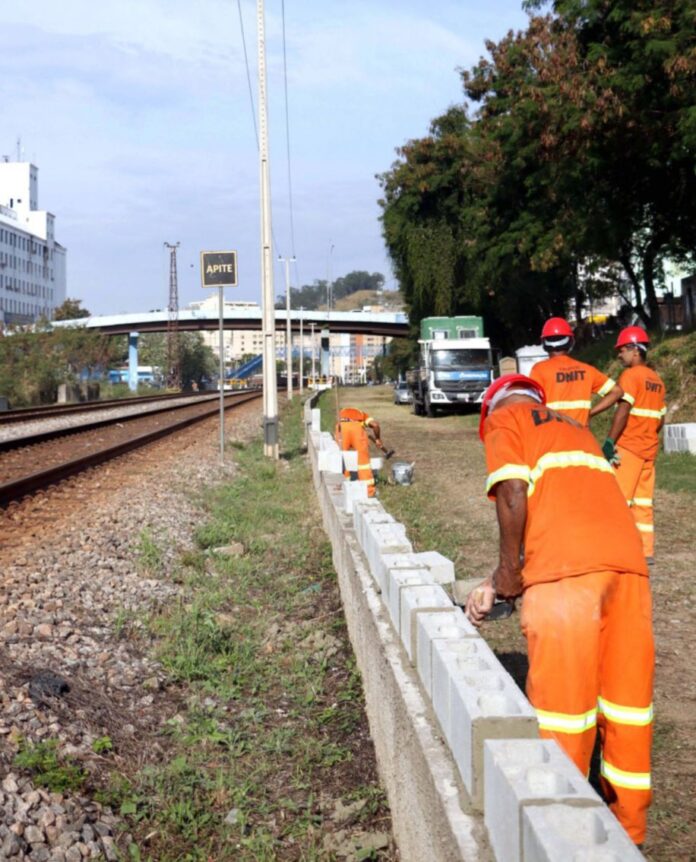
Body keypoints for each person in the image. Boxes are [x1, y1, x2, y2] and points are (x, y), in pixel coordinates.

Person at [466, 374, 653, 846]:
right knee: (627, 708)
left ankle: (560, 835)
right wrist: (497, 579)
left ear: (490, 410)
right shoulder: (574, 428)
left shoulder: (505, 419)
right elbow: (562, 508)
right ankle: (629, 834)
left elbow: (513, 492)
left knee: (564, 715)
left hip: (566, 579)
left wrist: (509, 576)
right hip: (627, 570)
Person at [603, 326, 666, 562]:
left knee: (619, 500)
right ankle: (646, 551)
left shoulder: (631, 376)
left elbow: (623, 410)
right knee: (643, 503)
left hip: (629, 448)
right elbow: (660, 419)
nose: (619, 355)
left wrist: (610, 441)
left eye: (622, 350)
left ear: (634, 350)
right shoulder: (657, 380)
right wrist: (647, 434)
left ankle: (619, 550)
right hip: (649, 450)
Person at [530, 317, 623, 425]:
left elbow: (530, 404)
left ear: (544, 343)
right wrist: (590, 413)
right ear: (571, 341)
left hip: (553, 433)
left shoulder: (539, 370)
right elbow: (617, 392)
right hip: (581, 433)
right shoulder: (586, 370)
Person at [334, 407, 387, 497]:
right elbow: (375, 425)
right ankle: (369, 491)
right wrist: (378, 439)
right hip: (357, 430)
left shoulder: (342, 413)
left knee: (342, 458)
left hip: (341, 427)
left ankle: (344, 485)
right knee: (363, 463)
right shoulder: (363, 415)